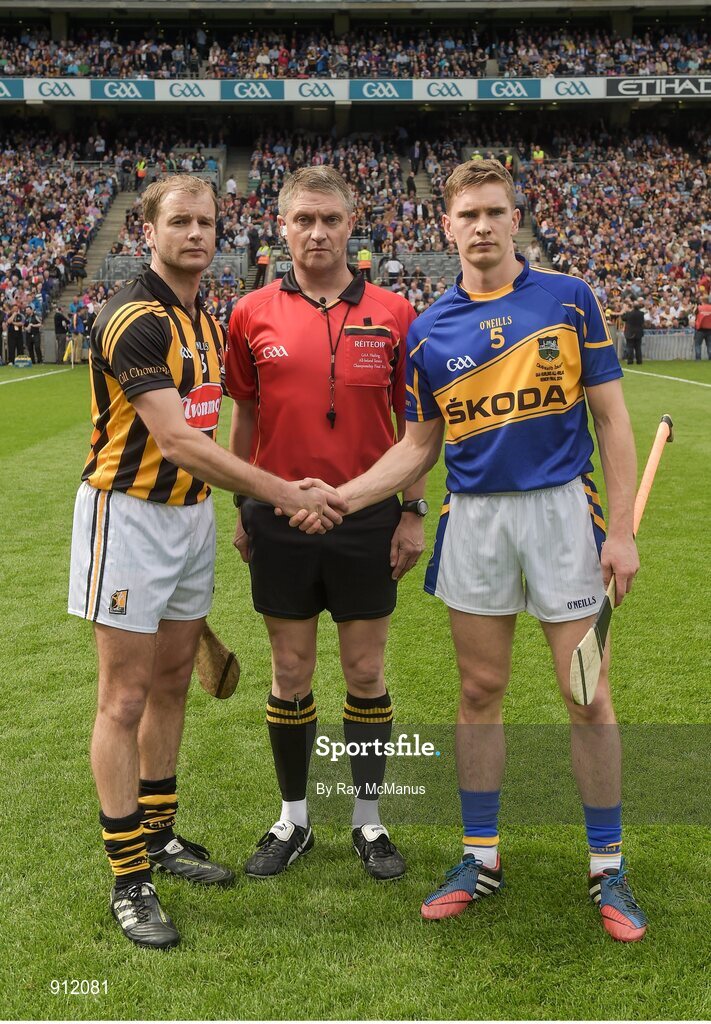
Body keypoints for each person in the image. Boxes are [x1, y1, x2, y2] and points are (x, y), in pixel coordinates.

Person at [328, 159, 647, 942]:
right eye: (466, 214)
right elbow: (415, 450)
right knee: (478, 691)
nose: (480, 226)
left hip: (560, 514)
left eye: (493, 212)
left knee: (585, 696)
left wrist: (622, 533)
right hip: (473, 519)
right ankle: (480, 857)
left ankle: (607, 867)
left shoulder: (568, 300)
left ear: (514, 220)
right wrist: (343, 496)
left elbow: (610, 418)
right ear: (445, 227)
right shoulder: (427, 330)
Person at [67, 174, 345, 951]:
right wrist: (282, 494)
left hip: (187, 521)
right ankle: (130, 879)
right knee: (122, 698)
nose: (196, 233)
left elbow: (207, 437)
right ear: (146, 231)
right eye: (180, 221)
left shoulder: (203, 317)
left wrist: (234, 506)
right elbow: (182, 440)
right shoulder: (133, 318)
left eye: (207, 222)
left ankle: (159, 833)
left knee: (170, 685)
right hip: (128, 519)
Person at [224, 166, 426, 883]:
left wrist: (410, 511)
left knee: (366, 671)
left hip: (368, 518)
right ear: (279, 228)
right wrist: (245, 507)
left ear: (352, 226)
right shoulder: (249, 313)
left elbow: (416, 426)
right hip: (278, 516)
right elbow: (244, 416)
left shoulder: (398, 312)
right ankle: (294, 819)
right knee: (290, 671)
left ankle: (368, 820)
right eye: (302, 220)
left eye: (330, 220)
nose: (316, 232)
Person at [622, 299, 645, 365]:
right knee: (638, 347)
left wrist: (624, 311)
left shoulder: (629, 314)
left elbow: (623, 318)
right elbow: (642, 322)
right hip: (639, 332)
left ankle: (630, 361)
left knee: (630, 347)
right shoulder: (641, 314)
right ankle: (639, 361)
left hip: (630, 332)